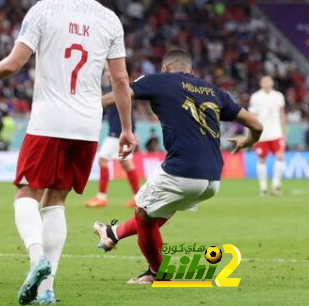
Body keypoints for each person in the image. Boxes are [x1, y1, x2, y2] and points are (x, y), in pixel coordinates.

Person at [0, 0, 135, 305]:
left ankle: (37, 262)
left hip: (49, 120)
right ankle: (47, 291)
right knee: (56, 201)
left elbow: (15, 63)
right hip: (86, 124)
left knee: (25, 193)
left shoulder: (43, 11)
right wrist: (127, 129)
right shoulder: (109, 18)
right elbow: (122, 82)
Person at [93, 50, 262, 284]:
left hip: (183, 169)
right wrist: (247, 142)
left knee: (144, 214)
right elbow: (257, 125)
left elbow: (121, 92)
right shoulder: (213, 91)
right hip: (213, 178)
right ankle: (113, 233)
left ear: (165, 68)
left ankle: (157, 273)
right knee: (157, 211)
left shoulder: (159, 80)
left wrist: (86, 107)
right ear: (192, 72)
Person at [85, 68, 139, 208]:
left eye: (110, 70)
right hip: (120, 133)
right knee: (126, 164)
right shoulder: (113, 87)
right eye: (106, 71)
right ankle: (138, 197)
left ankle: (101, 197)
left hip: (117, 134)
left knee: (103, 160)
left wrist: (132, 130)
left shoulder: (119, 87)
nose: (108, 73)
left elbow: (128, 110)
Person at [249, 76, 286, 196]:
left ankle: (276, 186)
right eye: (264, 81)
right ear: (261, 83)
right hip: (262, 134)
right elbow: (252, 117)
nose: (266, 83)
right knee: (261, 159)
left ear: (272, 83)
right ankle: (263, 188)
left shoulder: (279, 96)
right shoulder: (255, 97)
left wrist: (284, 132)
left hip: (276, 132)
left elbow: (282, 115)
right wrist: (252, 134)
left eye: (268, 81)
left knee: (280, 157)